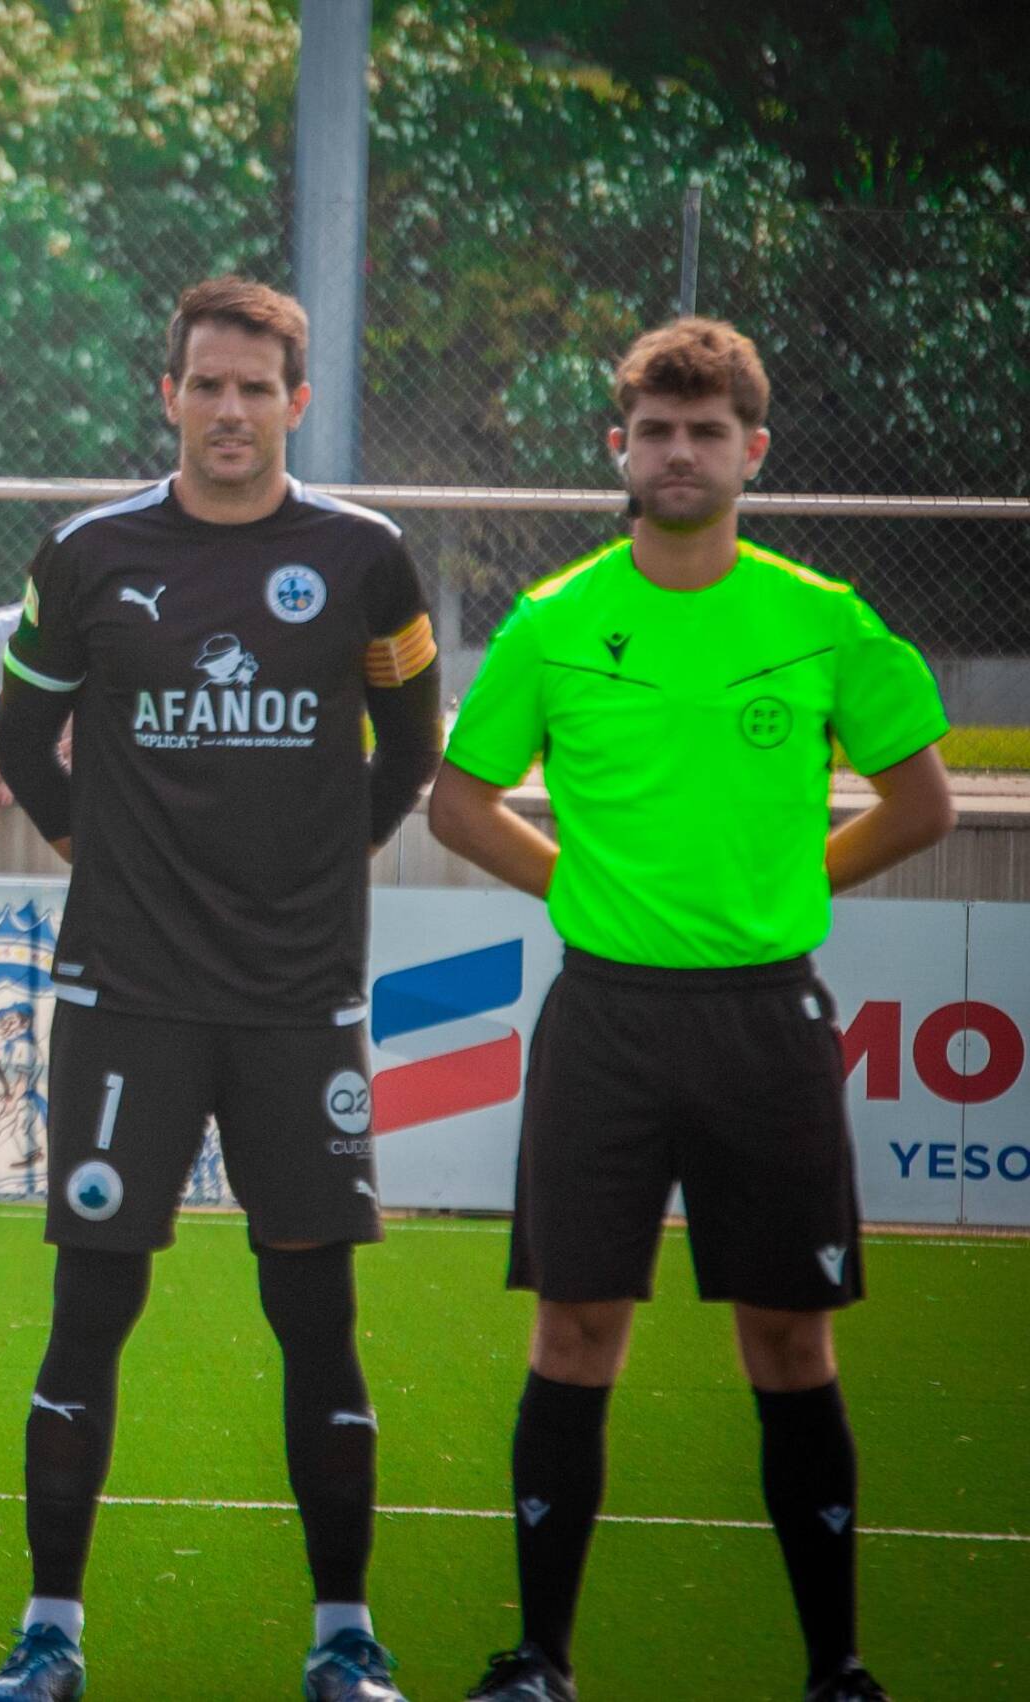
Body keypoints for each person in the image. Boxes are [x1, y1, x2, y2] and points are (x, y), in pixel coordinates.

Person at [431, 318, 954, 1702]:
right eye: (655, 431)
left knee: (790, 1340)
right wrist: (577, 887)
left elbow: (922, 803)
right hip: (604, 1021)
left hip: (766, 1023)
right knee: (574, 1333)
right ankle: (540, 1660)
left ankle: (837, 1669)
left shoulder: (822, 618)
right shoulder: (554, 621)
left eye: (705, 431)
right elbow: (458, 803)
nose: (679, 452)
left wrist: (792, 884)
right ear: (619, 447)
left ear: (752, 450)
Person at [0, 277, 444, 1702]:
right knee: (89, 1310)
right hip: (126, 997)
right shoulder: (90, 554)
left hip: (302, 1004)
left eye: (256, 387)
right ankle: (50, 1634)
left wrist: (321, 864)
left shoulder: (365, 557)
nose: (229, 409)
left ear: (296, 401)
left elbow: (410, 750)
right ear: (168, 395)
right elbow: (25, 739)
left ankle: (343, 1638)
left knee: (316, 1320)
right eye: (207, 385)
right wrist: (102, 852)